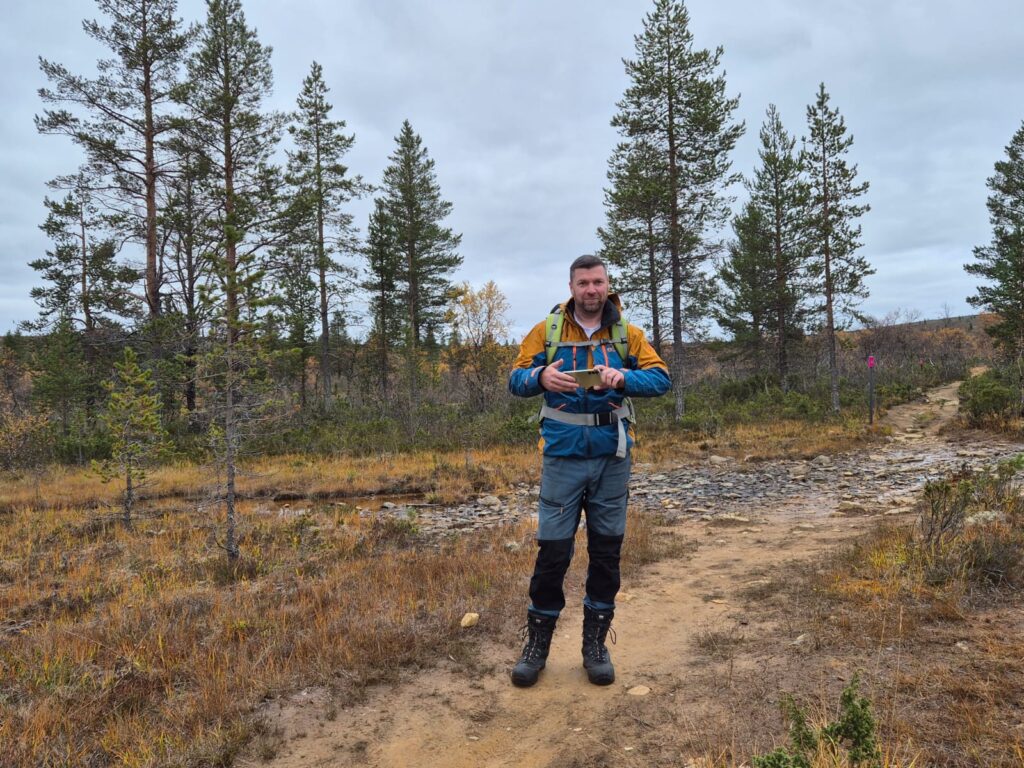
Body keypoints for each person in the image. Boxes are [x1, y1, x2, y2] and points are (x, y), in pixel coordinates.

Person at [507, 254, 671, 687]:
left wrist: (622, 380)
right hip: (561, 457)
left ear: (607, 285)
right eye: (583, 283)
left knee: (606, 553)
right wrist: (540, 377)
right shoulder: (547, 331)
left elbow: (662, 379)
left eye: (598, 282)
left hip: (611, 459)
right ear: (572, 287)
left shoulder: (628, 334)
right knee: (553, 554)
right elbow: (514, 379)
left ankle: (594, 646)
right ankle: (537, 646)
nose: (591, 290)